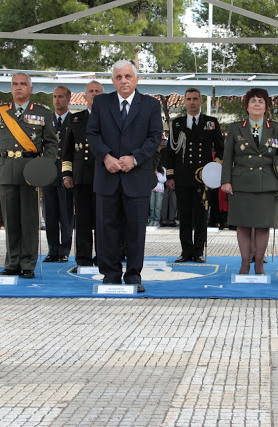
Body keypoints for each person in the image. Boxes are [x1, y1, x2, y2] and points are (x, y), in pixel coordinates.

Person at [87, 59, 163, 291]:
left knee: (135, 229)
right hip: (107, 176)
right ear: (113, 80)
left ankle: (133, 275)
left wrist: (136, 158)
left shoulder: (150, 105)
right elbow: (92, 133)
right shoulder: (101, 102)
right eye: (118, 77)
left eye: (128, 76)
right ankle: (110, 274)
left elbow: (155, 136)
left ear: (137, 79)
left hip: (137, 177)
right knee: (107, 229)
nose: (123, 81)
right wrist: (106, 157)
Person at [0, 73, 58, 279]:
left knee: (29, 220)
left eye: (23, 84)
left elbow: (52, 143)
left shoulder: (43, 113)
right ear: (11, 88)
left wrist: (45, 165)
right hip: (6, 170)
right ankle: (12, 263)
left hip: (31, 172)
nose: (19, 88)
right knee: (11, 220)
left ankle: (28, 264)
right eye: (15, 84)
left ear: (31, 89)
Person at [221, 87, 278, 275]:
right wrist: (226, 181)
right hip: (241, 184)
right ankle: (245, 263)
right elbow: (228, 157)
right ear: (246, 105)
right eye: (252, 100)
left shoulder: (276, 128)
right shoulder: (236, 127)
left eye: (260, 101)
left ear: (266, 107)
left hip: (267, 185)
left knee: (263, 226)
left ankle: (259, 264)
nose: (256, 104)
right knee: (243, 225)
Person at [166, 88, 224, 263]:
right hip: (182, 176)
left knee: (200, 215)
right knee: (184, 216)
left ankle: (198, 251)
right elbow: (170, 151)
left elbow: (221, 147)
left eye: (195, 99)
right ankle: (186, 251)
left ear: (200, 101)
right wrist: (170, 175)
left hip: (202, 177)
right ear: (184, 101)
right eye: (189, 99)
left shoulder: (211, 123)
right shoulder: (176, 123)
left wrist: (215, 168)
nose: (192, 102)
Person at [62, 80, 103, 271]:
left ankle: (104, 257)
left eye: (97, 91)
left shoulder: (109, 118)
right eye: (90, 91)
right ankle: (83, 259)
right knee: (83, 221)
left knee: (104, 220)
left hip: (104, 177)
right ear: (84, 96)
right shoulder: (75, 119)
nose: (94, 94)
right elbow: (67, 150)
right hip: (81, 177)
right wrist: (67, 174)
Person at [43, 85, 74, 263]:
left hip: (66, 172)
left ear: (68, 99)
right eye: (55, 96)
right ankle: (52, 249)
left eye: (61, 97)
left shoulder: (74, 120)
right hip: (49, 172)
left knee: (66, 213)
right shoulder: (47, 120)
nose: (57, 100)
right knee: (51, 213)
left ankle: (64, 250)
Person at [149, 162, 166, 226]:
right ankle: (151, 220)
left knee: (158, 207)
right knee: (152, 206)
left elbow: (163, 180)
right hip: (152, 189)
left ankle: (157, 220)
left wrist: (157, 174)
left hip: (160, 190)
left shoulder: (163, 169)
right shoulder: (151, 169)